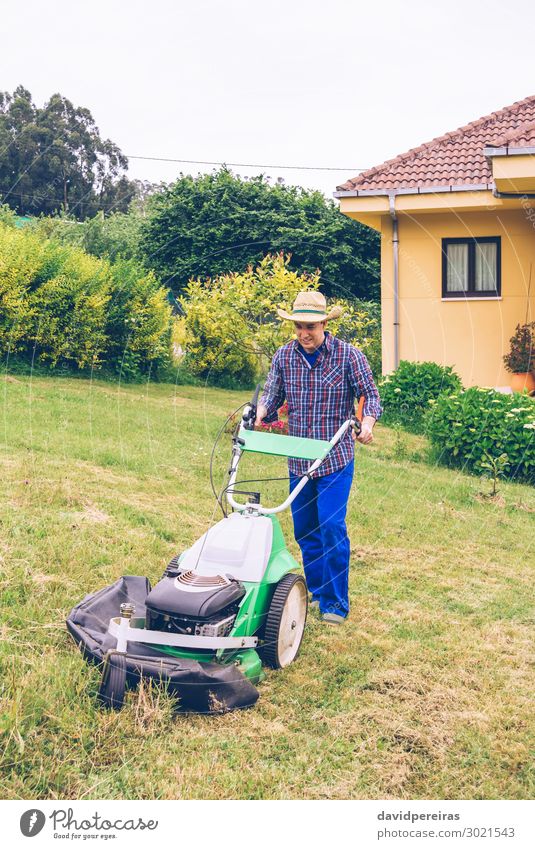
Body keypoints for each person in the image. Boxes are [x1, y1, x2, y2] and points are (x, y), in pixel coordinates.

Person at [255, 291, 382, 624]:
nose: (304, 333)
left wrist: (366, 423)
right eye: (298, 326)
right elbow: (272, 392)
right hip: (299, 460)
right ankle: (317, 590)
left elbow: (369, 395)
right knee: (306, 530)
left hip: (334, 458)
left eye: (310, 326)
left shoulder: (348, 356)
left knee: (331, 527)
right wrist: (262, 410)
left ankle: (335, 604)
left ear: (325, 323)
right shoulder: (284, 356)